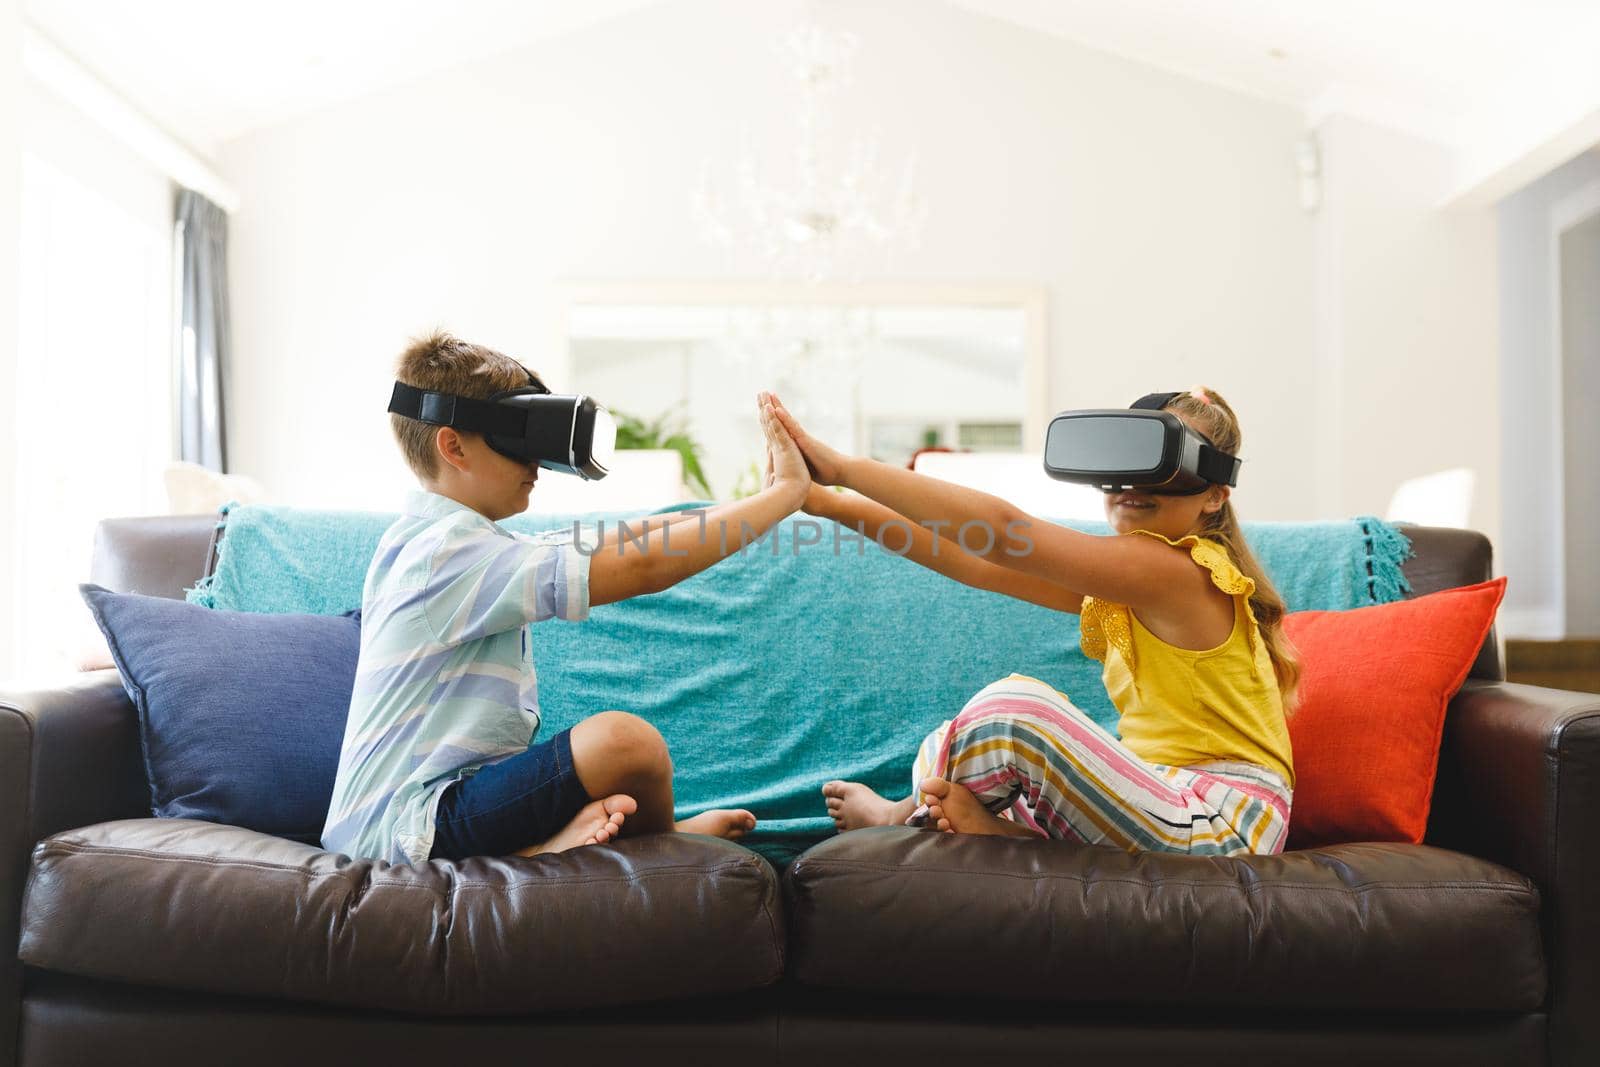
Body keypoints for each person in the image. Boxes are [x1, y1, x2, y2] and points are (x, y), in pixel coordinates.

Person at [321, 331, 810, 864]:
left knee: (624, 759)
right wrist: (785, 499)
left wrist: (757, 501)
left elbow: (625, 539)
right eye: (517, 441)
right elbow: (640, 565)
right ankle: (645, 845)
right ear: (454, 446)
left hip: (451, 802)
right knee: (627, 743)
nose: (535, 463)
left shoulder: (458, 542)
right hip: (406, 827)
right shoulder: (444, 553)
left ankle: (581, 844)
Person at [774, 387, 1299, 857]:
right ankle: (1013, 836)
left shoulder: (1178, 571)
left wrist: (843, 469)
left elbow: (1004, 534)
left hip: (1222, 822)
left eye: (1166, 465)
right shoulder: (1131, 582)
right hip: (1160, 796)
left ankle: (899, 814)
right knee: (950, 738)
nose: (1133, 483)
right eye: (1126, 459)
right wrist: (825, 502)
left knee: (1013, 709)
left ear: (1215, 493)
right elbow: (976, 563)